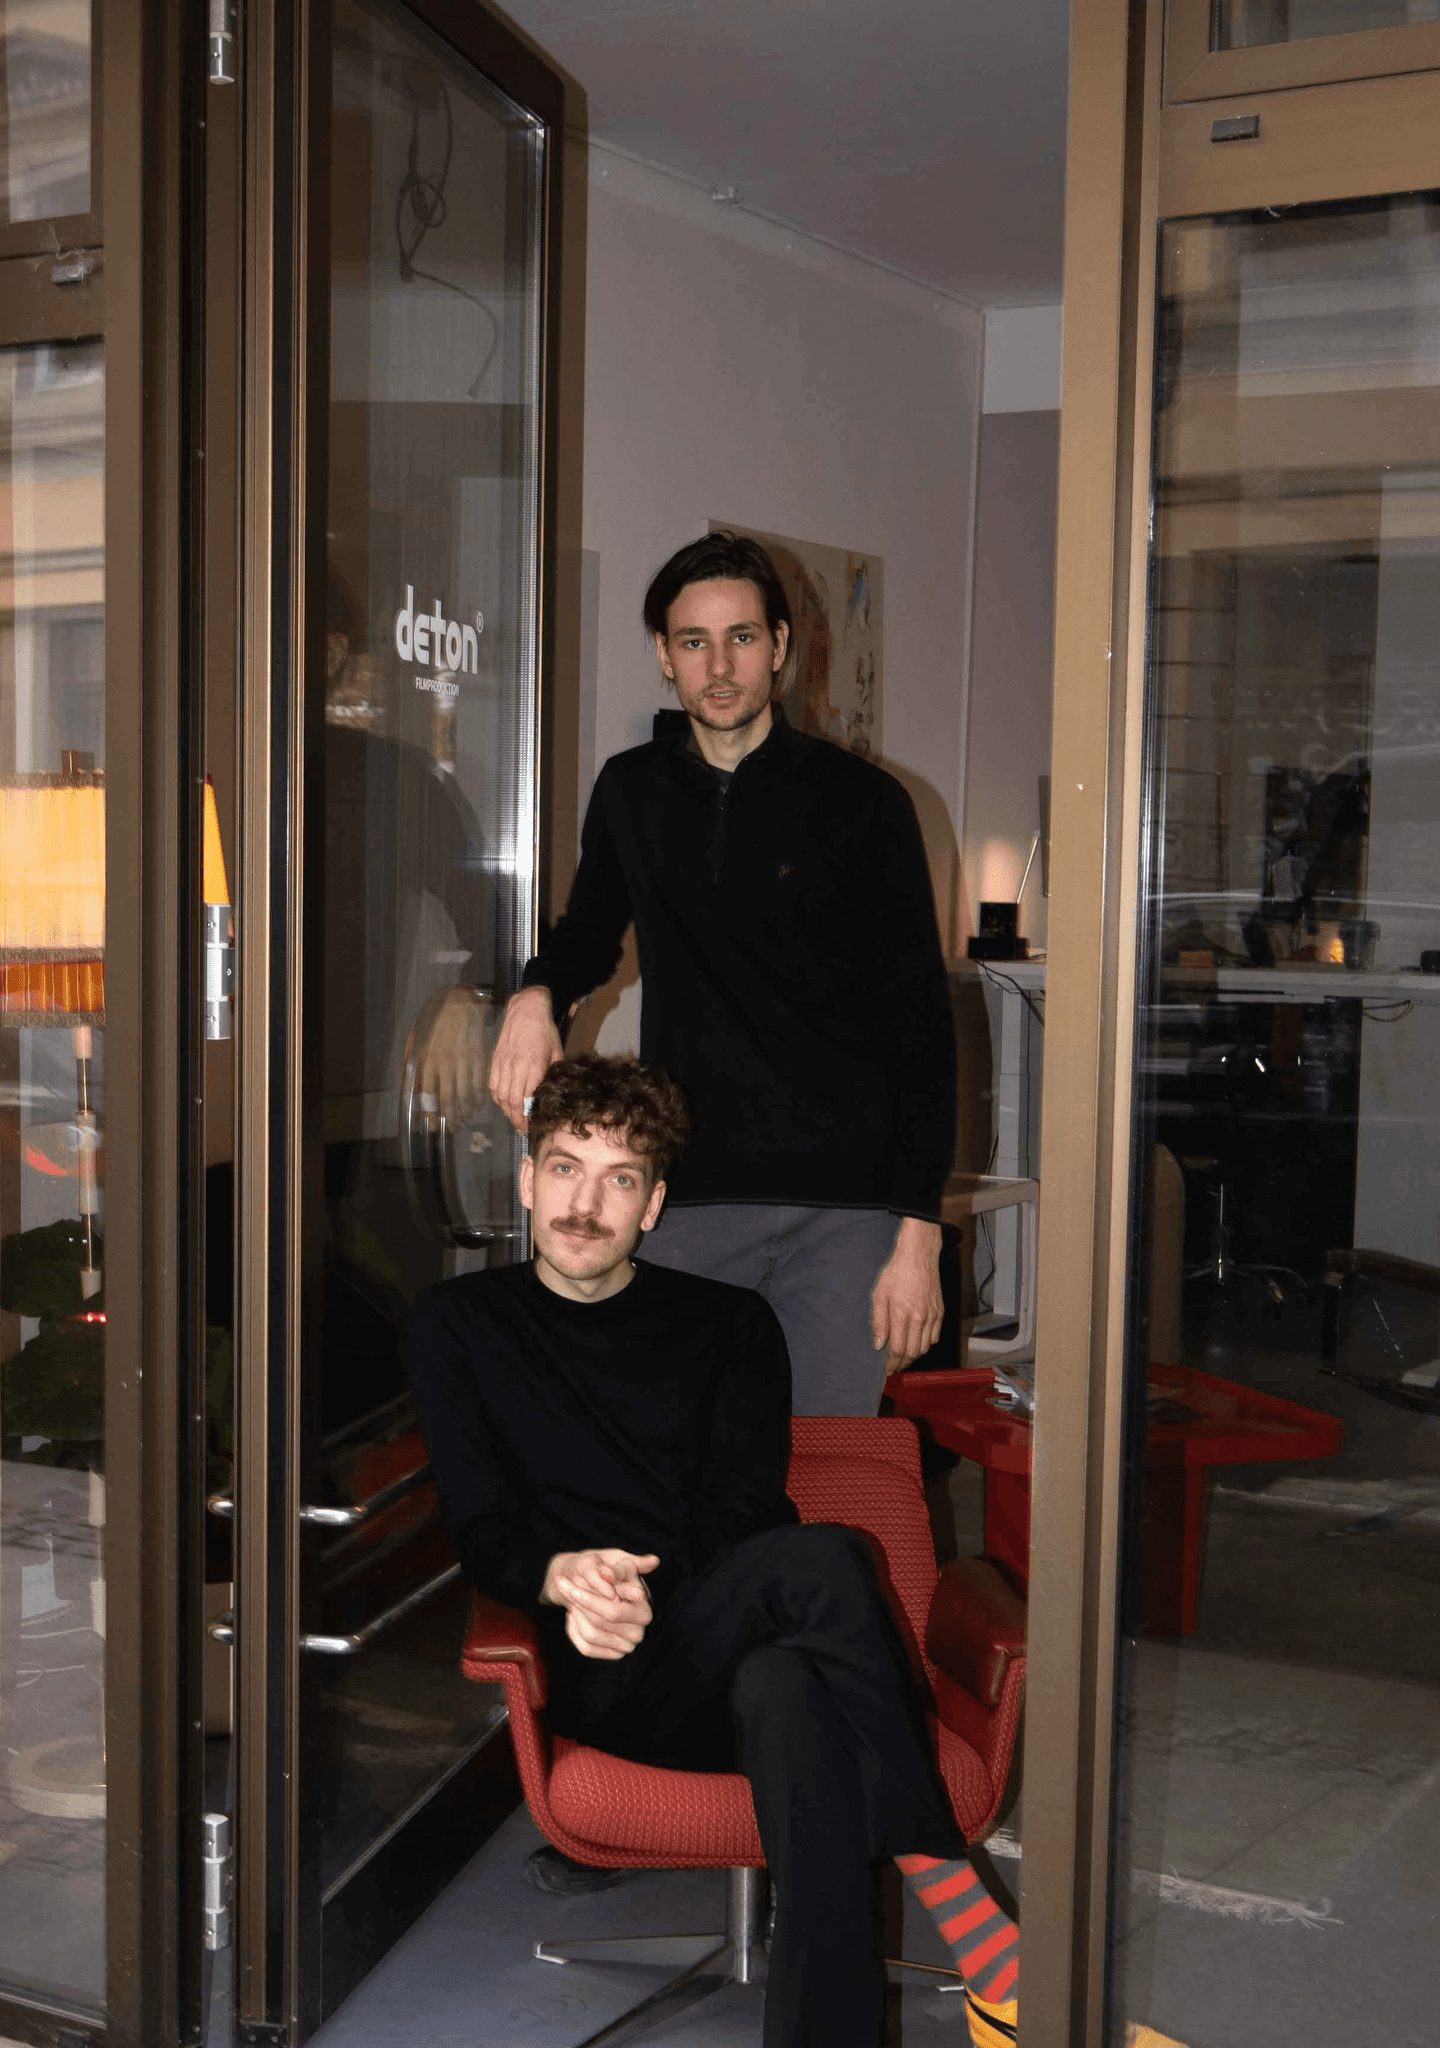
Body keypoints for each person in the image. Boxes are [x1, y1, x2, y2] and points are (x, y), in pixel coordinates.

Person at [404, 1053, 1019, 2048]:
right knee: (821, 1565)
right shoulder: (459, 1324)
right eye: (564, 1167)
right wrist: (568, 1579)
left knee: (790, 1672)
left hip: (717, 1631)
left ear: (654, 1205)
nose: (585, 1203)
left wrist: (654, 1586)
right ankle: (950, 1882)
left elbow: (739, 1510)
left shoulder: (729, 1321)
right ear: (525, 1178)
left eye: (621, 1178)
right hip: (610, 1676)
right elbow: (481, 1522)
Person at [486, 530, 957, 1415]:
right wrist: (535, 995)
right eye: (694, 642)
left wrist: (917, 1234)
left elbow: (922, 1028)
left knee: (819, 1474)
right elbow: (588, 931)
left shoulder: (865, 805)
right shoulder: (632, 791)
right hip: (691, 1195)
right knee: (674, 1462)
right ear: (664, 657)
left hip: (845, 1213)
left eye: (741, 637)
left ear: (780, 646)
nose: (720, 665)